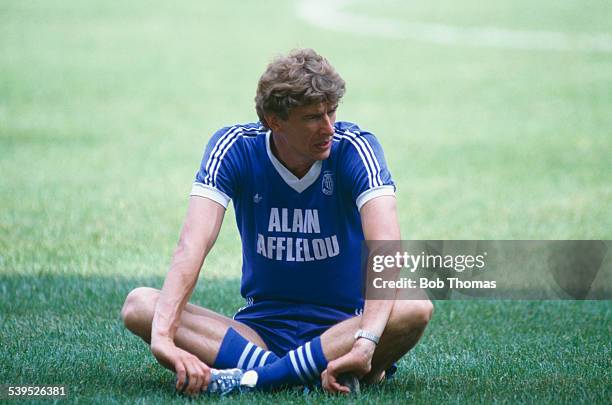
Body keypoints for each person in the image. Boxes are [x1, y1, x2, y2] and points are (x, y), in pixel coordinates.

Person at [121, 48, 433, 396]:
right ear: (275, 120)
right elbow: (191, 246)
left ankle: (254, 379)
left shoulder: (356, 148)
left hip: (344, 328)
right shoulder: (235, 147)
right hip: (260, 332)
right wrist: (162, 337)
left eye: (332, 112)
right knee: (141, 306)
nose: (329, 127)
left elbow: (386, 251)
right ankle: (305, 375)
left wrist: (366, 341)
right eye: (313, 117)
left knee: (414, 305)